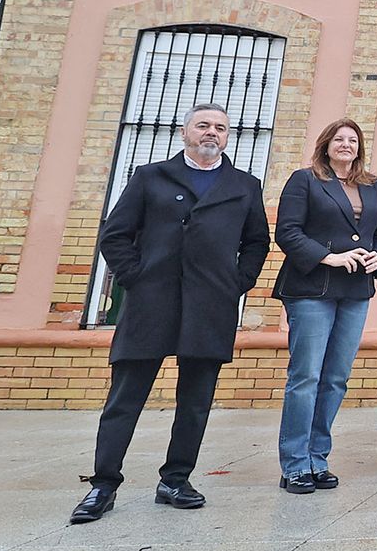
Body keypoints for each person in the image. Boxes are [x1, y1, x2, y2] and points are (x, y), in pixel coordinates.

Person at [70, 103, 270, 524]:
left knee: (195, 403)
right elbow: (116, 234)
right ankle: (103, 484)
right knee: (125, 399)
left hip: (209, 305)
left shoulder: (244, 185)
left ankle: (175, 479)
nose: (211, 133)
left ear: (228, 136)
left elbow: (257, 242)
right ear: (185, 133)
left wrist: (237, 283)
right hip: (150, 303)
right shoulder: (151, 176)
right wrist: (134, 277)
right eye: (203, 126)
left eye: (220, 127)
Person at [273, 118, 377, 494]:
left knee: (336, 378)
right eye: (339, 139)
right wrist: (330, 257)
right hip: (312, 288)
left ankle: (317, 458)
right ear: (326, 145)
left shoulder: (374, 186)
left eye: (352, 140)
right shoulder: (305, 179)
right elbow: (287, 232)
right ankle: (294, 464)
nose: (346, 144)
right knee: (306, 377)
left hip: (355, 291)